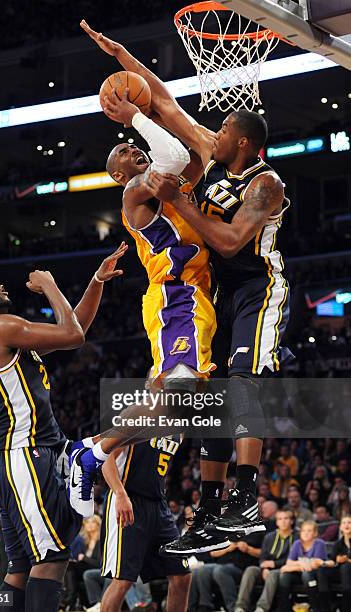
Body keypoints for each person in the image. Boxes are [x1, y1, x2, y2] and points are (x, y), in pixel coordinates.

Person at [81, 19, 292, 555]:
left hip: (258, 290)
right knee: (210, 398)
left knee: (243, 383)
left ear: (240, 143)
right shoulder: (216, 158)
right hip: (219, 296)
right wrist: (125, 56)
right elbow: (168, 104)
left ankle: (244, 497)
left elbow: (227, 242)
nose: (209, 134)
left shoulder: (266, 184)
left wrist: (177, 201)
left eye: (220, 132)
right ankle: (211, 505)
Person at [69, 73, 231, 540]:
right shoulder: (134, 194)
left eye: (136, 148)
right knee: (181, 396)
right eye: (125, 153)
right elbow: (177, 156)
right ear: (119, 175)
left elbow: (195, 156)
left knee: (176, 407)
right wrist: (137, 115)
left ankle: (96, 450)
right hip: (176, 300)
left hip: (191, 298)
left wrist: (160, 106)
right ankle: (94, 451)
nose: (134, 151)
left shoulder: (174, 187)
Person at [0, 244, 127, 612]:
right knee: (51, 557)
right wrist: (49, 284)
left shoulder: (2, 337)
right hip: (24, 456)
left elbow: (76, 326)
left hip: (18, 457)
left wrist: (95, 281)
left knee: (19, 567)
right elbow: (73, 335)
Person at [100, 437, 191, 612]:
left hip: (159, 504)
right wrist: (119, 493)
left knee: (181, 575)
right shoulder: (140, 416)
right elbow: (105, 456)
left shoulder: (180, 428)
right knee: (123, 580)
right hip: (128, 498)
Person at [234, 509, 296, 612]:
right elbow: (263, 557)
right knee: (251, 570)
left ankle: (261, 608)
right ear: (276, 522)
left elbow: (293, 558)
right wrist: (264, 568)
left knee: (273, 574)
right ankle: (240, 607)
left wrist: (274, 563)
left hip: (285, 569)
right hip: (267, 569)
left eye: (286, 518)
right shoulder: (269, 536)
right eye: (280, 519)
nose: (283, 521)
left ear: (292, 521)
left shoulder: (296, 537)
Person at [276, 520, 327, 612]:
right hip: (299, 574)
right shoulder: (297, 543)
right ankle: (284, 608)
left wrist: (292, 567)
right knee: (285, 576)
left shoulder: (319, 543)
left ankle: (314, 607)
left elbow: (314, 565)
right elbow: (289, 562)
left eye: (309, 531)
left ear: (315, 533)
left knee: (306, 574)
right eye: (303, 531)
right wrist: (301, 564)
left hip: (315, 576)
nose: (306, 533)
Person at [316, 514, 351, 612]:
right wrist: (323, 563)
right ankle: (327, 606)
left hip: (348, 572)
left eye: (349, 522)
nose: (346, 525)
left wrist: (347, 560)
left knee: (345, 567)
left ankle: (346, 607)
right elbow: (333, 560)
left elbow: (346, 562)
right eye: (344, 523)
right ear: (340, 527)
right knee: (322, 570)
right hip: (341, 573)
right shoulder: (338, 544)